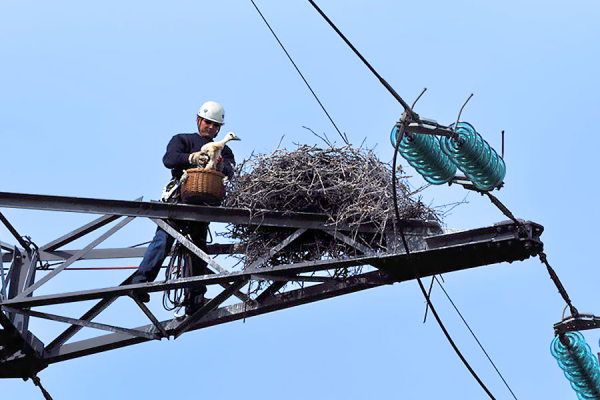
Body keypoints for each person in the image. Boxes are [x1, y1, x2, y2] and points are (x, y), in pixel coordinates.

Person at [131, 101, 236, 316]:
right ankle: (140, 284)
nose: (211, 127)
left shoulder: (226, 150)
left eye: (216, 125)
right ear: (199, 120)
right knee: (163, 241)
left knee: (197, 251)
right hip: (180, 201)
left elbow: (230, 170)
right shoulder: (183, 140)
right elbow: (169, 159)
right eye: (208, 122)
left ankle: (195, 300)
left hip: (202, 205)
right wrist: (191, 158)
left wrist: (218, 164)